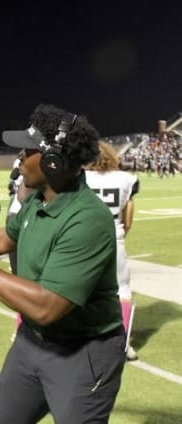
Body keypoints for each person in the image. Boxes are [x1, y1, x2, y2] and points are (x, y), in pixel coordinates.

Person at [0, 103, 126, 424]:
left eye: (26, 150)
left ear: (53, 161)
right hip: (31, 344)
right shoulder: (39, 199)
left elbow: (47, 306)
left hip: (83, 352)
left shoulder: (88, 219)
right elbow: (7, 236)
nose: (18, 157)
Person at [85, 140, 140, 361]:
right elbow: (128, 220)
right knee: (122, 291)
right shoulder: (127, 179)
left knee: (80, 290)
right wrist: (119, 234)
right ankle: (123, 343)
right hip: (113, 239)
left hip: (82, 241)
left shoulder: (80, 178)